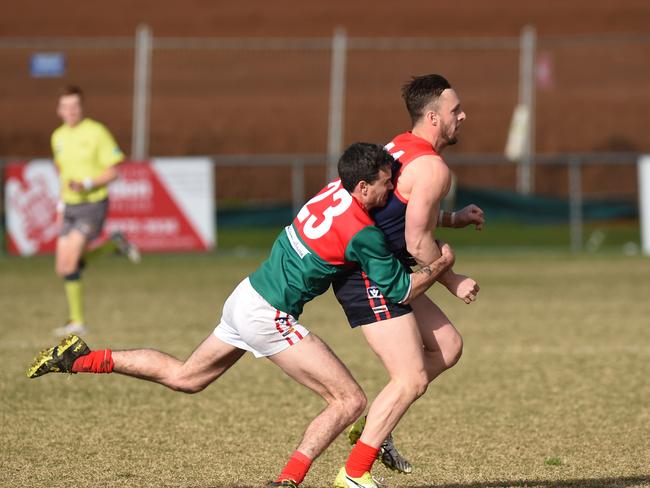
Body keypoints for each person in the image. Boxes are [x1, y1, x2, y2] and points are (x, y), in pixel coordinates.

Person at [27, 143, 456, 488]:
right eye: (385, 185)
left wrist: (446, 218)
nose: (390, 192)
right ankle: (289, 481)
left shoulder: (332, 190)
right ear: (362, 187)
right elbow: (400, 289)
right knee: (350, 400)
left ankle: (82, 358)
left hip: (245, 294)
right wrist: (439, 266)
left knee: (185, 377)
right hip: (268, 313)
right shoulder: (362, 233)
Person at [332, 75, 484, 488]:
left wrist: (453, 218)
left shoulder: (396, 146)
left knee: (448, 347)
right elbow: (418, 241)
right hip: (369, 273)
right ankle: (353, 472)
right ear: (434, 117)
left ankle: (376, 425)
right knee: (411, 378)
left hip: (383, 267)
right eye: (455, 110)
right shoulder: (433, 167)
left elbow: (405, 216)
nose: (463, 116)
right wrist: (453, 280)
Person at [51, 85, 140, 337]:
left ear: (82, 107)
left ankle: (77, 321)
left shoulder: (96, 132)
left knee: (70, 263)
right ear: (59, 109)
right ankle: (113, 245)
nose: (70, 111)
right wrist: (60, 204)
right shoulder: (57, 136)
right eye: (65, 106)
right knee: (63, 268)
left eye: (75, 106)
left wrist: (88, 183)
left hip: (92, 205)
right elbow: (62, 173)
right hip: (69, 206)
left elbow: (114, 170)